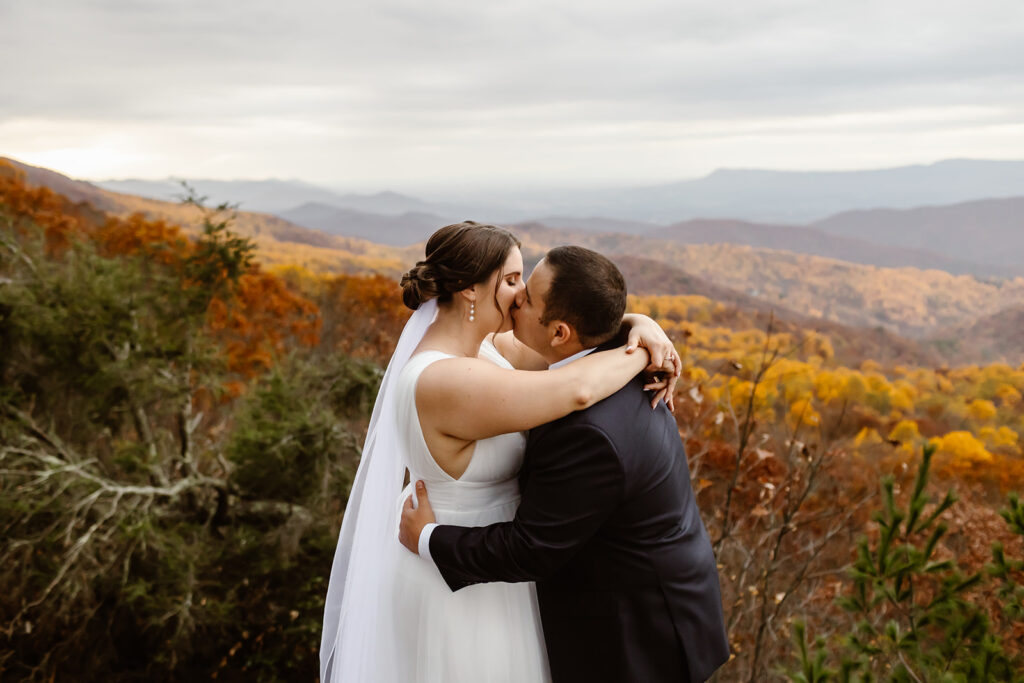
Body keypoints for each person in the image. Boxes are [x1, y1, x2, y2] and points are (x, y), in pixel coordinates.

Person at [320, 222, 679, 683]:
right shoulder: (444, 380)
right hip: (459, 578)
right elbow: (578, 388)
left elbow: (568, 342)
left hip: (496, 568)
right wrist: (643, 352)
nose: (520, 295)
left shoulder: (486, 348)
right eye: (511, 281)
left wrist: (637, 324)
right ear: (471, 290)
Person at [400, 245, 731, 683]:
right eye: (517, 282)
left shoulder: (588, 430)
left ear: (559, 333)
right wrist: (639, 323)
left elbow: (530, 549)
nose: (516, 299)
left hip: (636, 632)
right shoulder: (604, 356)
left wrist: (427, 539)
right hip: (646, 592)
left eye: (528, 296)